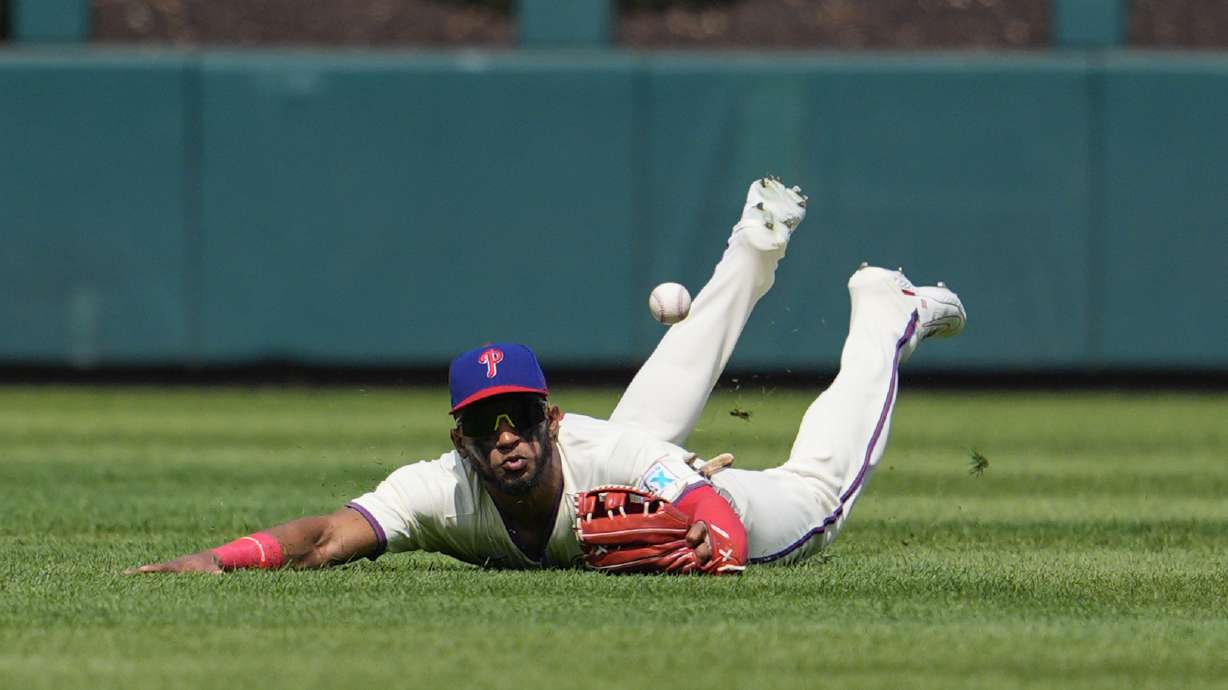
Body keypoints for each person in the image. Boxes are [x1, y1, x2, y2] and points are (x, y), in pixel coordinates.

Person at [127, 177, 966, 576]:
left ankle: (886, 308)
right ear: (460, 439)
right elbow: (325, 535)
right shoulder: (442, 491)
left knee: (819, 494)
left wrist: (712, 545)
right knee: (645, 421)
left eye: (521, 417)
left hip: (702, 495)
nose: (506, 437)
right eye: (487, 424)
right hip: (617, 459)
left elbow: (711, 513)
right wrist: (220, 559)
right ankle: (751, 249)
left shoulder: (607, 457)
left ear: (548, 418)